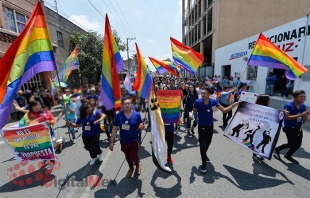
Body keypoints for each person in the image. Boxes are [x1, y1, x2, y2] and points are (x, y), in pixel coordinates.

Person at [192, 87, 240, 173]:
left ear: (209, 95)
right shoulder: (197, 102)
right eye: (201, 93)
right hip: (201, 126)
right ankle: (203, 163)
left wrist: (234, 105)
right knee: (202, 145)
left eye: (204, 93)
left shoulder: (213, 102)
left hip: (210, 126)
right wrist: (192, 114)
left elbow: (224, 111)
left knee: (208, 143)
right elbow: (194, 110)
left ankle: (204, 154)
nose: (202, 95)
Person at [109, 96, 144, 178]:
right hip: (124, 141)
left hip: (134, 140)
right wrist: (111, 142)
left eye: (128, 103)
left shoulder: (137, 115)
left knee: (133, 156)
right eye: (125, 104)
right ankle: (131, 168)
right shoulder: (118, 116)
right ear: (122, 105)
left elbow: (141, 125)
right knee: (127, 157)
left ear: (131, 104)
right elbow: (114, 129)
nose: (127, 105)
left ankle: (137, 164)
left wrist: (142, 126)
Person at [273, 90, 309, 164]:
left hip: (299, 127)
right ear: (295, 98)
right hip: (289, 128)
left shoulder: (303, 106)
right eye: (301, 97)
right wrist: (301, 115)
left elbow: (305, 119)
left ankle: (288, 155)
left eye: (304, 97)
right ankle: (277, 149)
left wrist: (305, 116)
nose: (303, 98)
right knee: (291, 144)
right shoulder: (289, 105)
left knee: (298, 144)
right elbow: (288, 117)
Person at [19, 100, 55, 170]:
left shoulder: (45, 112)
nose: (38, 107)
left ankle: (52, 162)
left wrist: (50, 122)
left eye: (39, 105)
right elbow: (22, 124)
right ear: (31, 107)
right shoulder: (28, 115)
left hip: (48, 134)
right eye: (35, 106)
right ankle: (45, 158)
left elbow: (53, 120)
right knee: (41, 149)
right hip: (38, 137)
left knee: (49, 149)